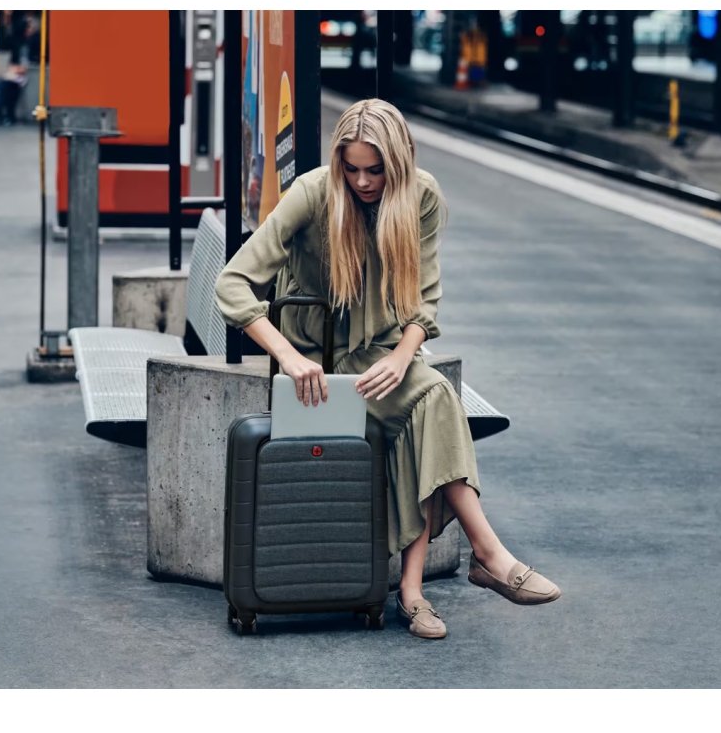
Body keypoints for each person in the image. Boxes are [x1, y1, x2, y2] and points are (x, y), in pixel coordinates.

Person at [215, 98, 561, 640]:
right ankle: (470, 565)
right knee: (431, 405)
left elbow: (424, 300)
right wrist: (286, 355)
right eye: (351, 168)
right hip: (320, 364)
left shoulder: (421, 196)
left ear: (398, 163)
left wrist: (402, 357)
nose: (361, 182)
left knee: (432, 400)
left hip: (382, 354)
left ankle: (428, 584)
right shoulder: (312, 193)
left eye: (375, 170)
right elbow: (232, 284)